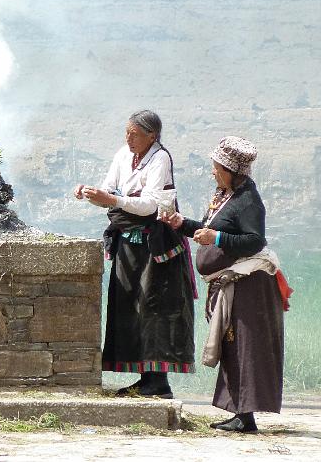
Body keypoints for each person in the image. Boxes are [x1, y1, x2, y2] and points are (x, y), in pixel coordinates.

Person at [163, 136, 291, 433]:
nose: (213, 172)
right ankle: (239, 413)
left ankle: (246, 417)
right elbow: (209, 231)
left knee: (244, 345)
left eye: (217, 167)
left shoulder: (248, 201)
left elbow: (255, 240)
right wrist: (182, 224)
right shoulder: (226, 196)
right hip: (234, 285)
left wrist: (216, 239)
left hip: (250, 286)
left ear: (232, 170)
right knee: (232, 345)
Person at [74, 110, 196, 398]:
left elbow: (150, 206)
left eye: (135, 134)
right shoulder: (122, 155)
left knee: (155, 309)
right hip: (128, 244)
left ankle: (158, 381)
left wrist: (112, 199)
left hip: (156, 249)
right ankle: (145, 378)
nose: (128, 138)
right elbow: (109, 192)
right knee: (131, 305)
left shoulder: (160, 159)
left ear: (151, 136)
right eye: (127, 132)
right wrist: (90, 193)